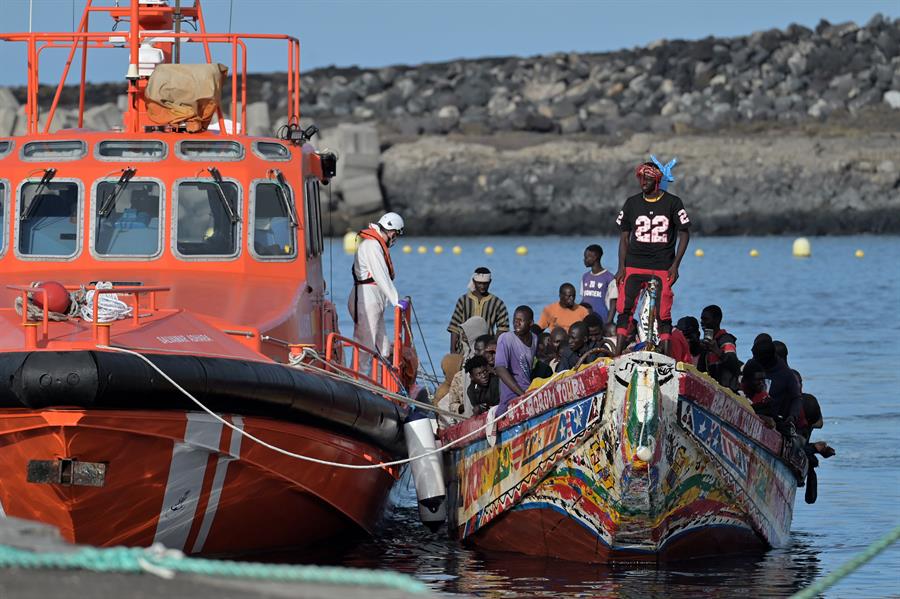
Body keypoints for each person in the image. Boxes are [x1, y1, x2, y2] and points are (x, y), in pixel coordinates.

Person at [614, 162, 691, 356]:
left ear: (656, 180)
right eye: (641, 179)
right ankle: (617, 353)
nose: (643, 183)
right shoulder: (632, 203)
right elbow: (624, 236)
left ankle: (665, 355)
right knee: (624, 308)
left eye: (648, 179)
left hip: (662, 265)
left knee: (663, 311)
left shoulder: (673, 202)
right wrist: (621, 267)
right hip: (634, 264)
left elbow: (684, 233)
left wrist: (675, 265)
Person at [348, 212, 409, 371]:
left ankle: (381, 379)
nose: (395, 238)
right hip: (366, 299)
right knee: (365, 347)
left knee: (384, 349)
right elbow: (380, 275)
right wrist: (396, 300)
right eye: (396, 234)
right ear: (391, 231)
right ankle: (357, 380)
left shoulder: (375, 244)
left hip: (373, 299)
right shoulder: (372, 246)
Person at [447, 267, 510, 354]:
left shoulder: (498, 303)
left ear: (490, 282)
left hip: (486, 351)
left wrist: (493, 345)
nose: (482, 286)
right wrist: (452, 350)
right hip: (464, 350)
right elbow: (454, 327)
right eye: (479, 283)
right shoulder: (463, 300)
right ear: (474, 281)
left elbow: (503, 328)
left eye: (485, 283)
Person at [496, 306, 538, 413]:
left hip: (528, 389)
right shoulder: (506, 338)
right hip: (511, 394)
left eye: (521, 320)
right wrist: (522, 395)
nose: (517, 324)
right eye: (515, 320)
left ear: (531, 323)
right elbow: (500, 369)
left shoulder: (534, 338)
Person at [697, 305, 741, 391]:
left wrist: (717, 351)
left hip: (728, 391)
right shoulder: (707, 343)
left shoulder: (726, 340)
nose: (702, 322)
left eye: (706, 319)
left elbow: (734, 364)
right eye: (701, 319)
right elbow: (700, 370)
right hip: (714, 390)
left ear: (717, 320)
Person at [581, 244, 618, 324]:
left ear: (595, 257)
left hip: (602, 319)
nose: (584, 260)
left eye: (586, 257)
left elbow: (613, 302)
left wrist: (608, 322)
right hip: (586, 319)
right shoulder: (585, 277)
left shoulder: (609, 278)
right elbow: (583, 299)